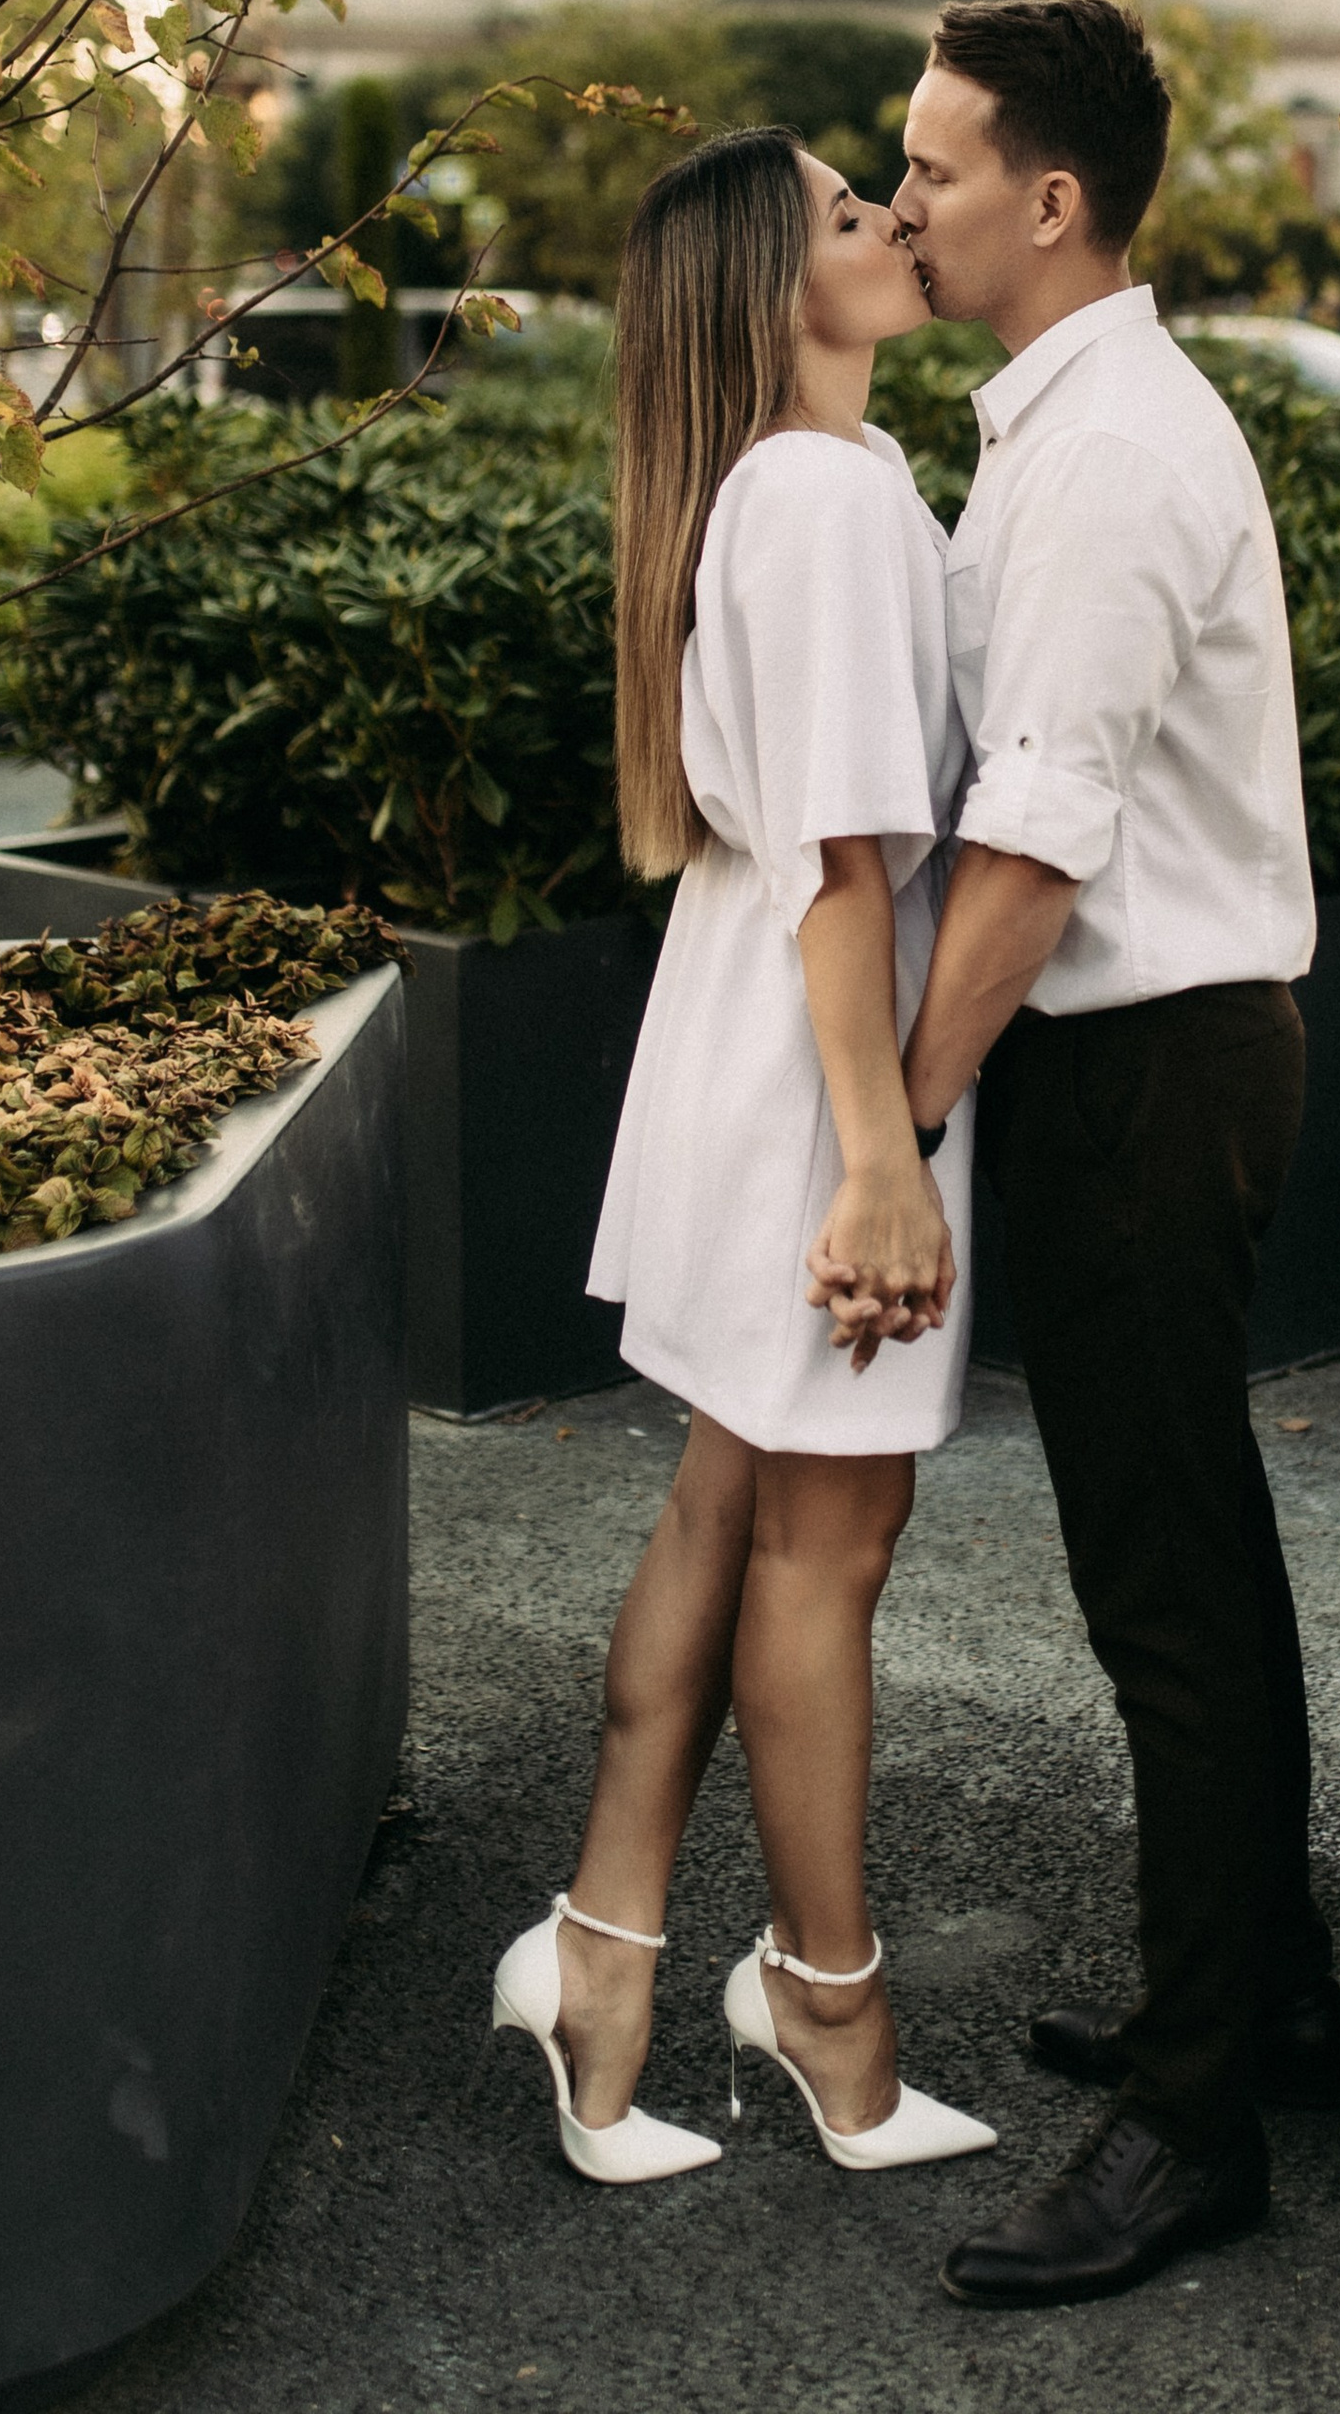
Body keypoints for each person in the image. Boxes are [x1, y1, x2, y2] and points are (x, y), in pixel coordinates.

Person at [879, 0, 1340, 2310]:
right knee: (1194, 1554)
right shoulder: (1079, 425)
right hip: (1167, 1048)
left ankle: (1190, 2126)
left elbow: (1034, 843)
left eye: (932, 168)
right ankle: (1259, 2004)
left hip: (1143, 1057)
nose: (897, 206)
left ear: (1048, 198)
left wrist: (895, 1118)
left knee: (1162, 1591)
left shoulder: (1103, 456)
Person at [488, 124, 996, 2189]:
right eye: (841, 213)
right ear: (762, 290)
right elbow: (843, 861)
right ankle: (823, 2004)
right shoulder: (808, 498)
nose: (885, 216)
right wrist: (883, 1159)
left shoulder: (831, 482)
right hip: (817, 1075)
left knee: (725, 1509)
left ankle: (602, 1959)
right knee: (825, 1544)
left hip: (755, 1054)